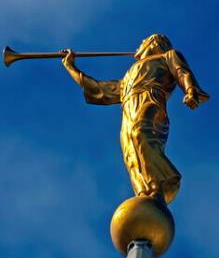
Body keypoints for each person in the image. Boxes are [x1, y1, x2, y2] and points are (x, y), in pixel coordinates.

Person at [62, 33, 209, 205]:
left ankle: (162, 183)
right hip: (128, 107)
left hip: (150, 100)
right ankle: (144, 192)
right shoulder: (128, 77)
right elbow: (100, 89)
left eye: (143, 42)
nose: (139, 45)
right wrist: (71, 67)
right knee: (130, 150)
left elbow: (181, 72)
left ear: (154, 44)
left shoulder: (167, 56)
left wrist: (190, 90)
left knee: (141, 133)